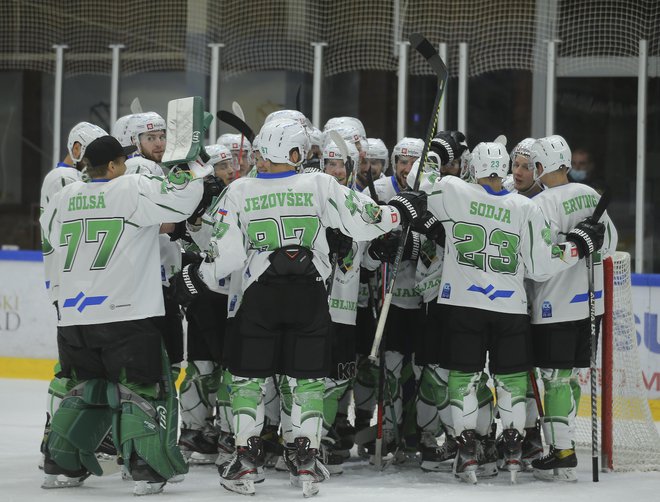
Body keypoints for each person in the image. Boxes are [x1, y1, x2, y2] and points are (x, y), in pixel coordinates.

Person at [169, 118, 425, 497]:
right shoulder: (320, 184)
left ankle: (245, 458)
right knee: (306, 380)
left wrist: (194, 277)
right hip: (310, 297)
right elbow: (367, 221)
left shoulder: (239, 190)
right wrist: (400, 210)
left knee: (249, 380)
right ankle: (305, 456)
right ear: (295, 153)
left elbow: (223, 257)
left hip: (259, 299)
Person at [415, 137, 605, 484]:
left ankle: (468, 453)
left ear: (473, 167)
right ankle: (516, 451)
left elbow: (419, 181)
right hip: (510, 307)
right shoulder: (524, 207)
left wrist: (435, 154)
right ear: (503, 169)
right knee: (512, 380)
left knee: (463, 379)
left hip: (463, 304)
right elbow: (540, 268)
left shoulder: (454, 191)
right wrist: (577, 245)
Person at [40, 135, 208, 496]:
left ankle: (61, 463)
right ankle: (146, 467)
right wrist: (191, 162)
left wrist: (58, 297)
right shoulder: (130, 188)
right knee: (143, 388)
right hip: (125, 312)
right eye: (123, 163)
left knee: (83, 388)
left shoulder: (63, 197)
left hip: (73, 316)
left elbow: (49, 245)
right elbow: (183, 202)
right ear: (115, 166)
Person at [527, 135, 618, 481]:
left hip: (555, 305)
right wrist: (588, 240)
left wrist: (573, 244)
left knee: (554, 378)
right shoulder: (589, 195)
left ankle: (561, 450)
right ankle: (565, 443)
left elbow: (538, 265)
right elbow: (609, 244)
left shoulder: (540, 204)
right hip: (590, 305)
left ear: (540, 167)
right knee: (568, 377)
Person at [39, 121, 108, 468]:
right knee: (69, 370)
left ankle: (62, 437)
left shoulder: (69, 179)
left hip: (75, 282)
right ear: (77, 148)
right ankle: (53, 436)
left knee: (76, 366)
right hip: (70, 283)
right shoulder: (62, 179)